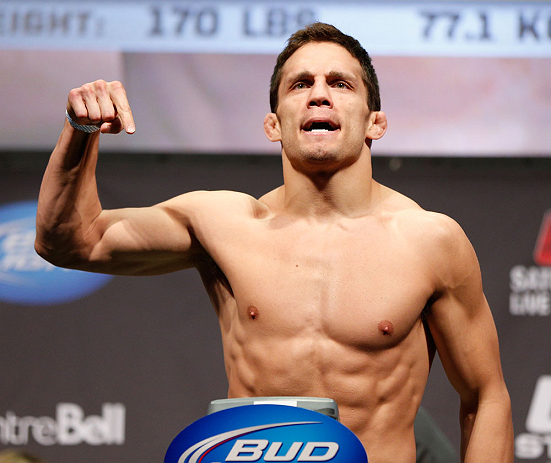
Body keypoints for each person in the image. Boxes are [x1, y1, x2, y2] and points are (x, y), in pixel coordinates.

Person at [35, 22, 513, 463]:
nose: (319, 95)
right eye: (300, 84)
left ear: (375, 123)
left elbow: (485, 396)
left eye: (340, 84)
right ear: (273, 124)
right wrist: (80, 132)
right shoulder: (224, 224)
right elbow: (69, 241)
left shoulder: (429, 240)